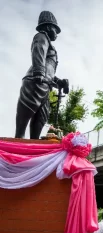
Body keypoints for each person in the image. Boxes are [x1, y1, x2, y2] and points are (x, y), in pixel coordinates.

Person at [15, 11, 69, 139]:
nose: (56, 34)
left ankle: (34, 144)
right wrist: (39, 72)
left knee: (41, 118)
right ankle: (18, 143)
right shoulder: (41, 37)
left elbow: (48, 70)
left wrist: (59, 82)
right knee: (25, 116)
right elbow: (38, 51)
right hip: (35, 81)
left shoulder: (51, 46)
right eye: (56, 30)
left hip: (45, 84)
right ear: (49, 27)